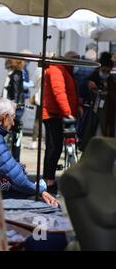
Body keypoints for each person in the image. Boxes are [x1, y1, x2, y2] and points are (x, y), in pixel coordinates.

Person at [0, 97, 58, 206]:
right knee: (42, 195)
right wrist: (40, 190)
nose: (13, 123)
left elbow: (6, 166)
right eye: (13, 118)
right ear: (5, 117)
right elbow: (16, 178)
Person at [43, 52, 79, 194]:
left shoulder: (64, 70)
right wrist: (67, 112)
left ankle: (48, 179)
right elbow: (59, 92)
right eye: (75, 60)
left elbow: (69, 92)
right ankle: (48, 180)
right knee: (53, 148)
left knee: (55, 148)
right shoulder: (57, 69)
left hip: (57, 114)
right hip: (54, 114)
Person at [80, 52, 115, 143]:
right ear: (99, 68)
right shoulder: (91, 78)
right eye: (103, 71)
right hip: (94, 115)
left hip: (108, 115)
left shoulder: (111, 81)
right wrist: (88, 84)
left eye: (108, 71)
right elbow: (81, 89)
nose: (105, 73)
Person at [3, 58, 26, 162]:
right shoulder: (14, 74)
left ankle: (15, 159)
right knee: (14, 133)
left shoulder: (15, 75)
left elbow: (16, 93)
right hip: (12, 107)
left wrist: (13, 107)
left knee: (15, 133)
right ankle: (14, 158)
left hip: (14, 108)